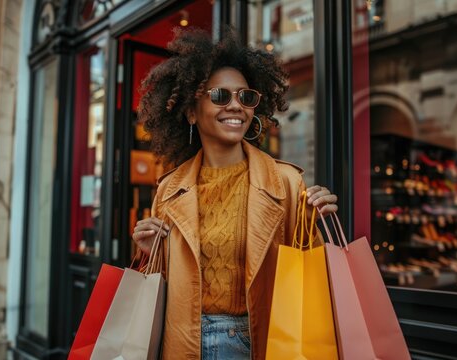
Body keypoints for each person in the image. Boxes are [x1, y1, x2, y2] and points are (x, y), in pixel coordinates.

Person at [132, 28, 338, 360]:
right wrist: (147, 253)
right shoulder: (169, 190)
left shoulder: (285, 183)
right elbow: (160, 289)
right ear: (190, 111)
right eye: (220, 96)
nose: (235, 106)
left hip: (257, 342)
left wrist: (316, 226)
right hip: (183, 344)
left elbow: (307, 280)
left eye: (246, 97)